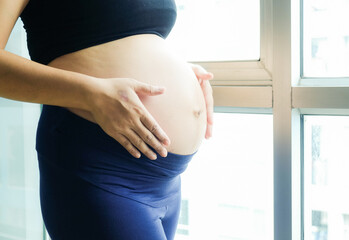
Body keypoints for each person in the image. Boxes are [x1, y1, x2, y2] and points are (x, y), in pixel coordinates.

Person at [0, 0, 214, 239]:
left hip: (166, 175)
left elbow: (123, 35)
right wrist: (91, 93)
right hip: (99, 166)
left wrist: (183, 74)